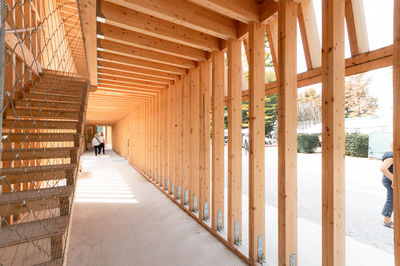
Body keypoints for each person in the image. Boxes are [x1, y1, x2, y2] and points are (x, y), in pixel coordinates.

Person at [380, 141, 394, 228]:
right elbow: (382, 168)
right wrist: (394, 179)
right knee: (391, 200)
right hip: (390, 181)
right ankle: (387, 220)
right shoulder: (391, 155)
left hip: (389, 180)